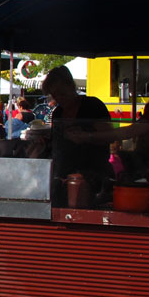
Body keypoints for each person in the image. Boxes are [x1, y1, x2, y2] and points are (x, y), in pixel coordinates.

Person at [42, 65, 112, 204]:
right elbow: (58, 144)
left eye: (61, 93)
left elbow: (109, 136)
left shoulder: (92, 105)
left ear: (71, 86)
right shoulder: (58, 113)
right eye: (55, 95)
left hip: (92, 176)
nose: (59, 98)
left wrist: (86, 137)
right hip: (64, 175)